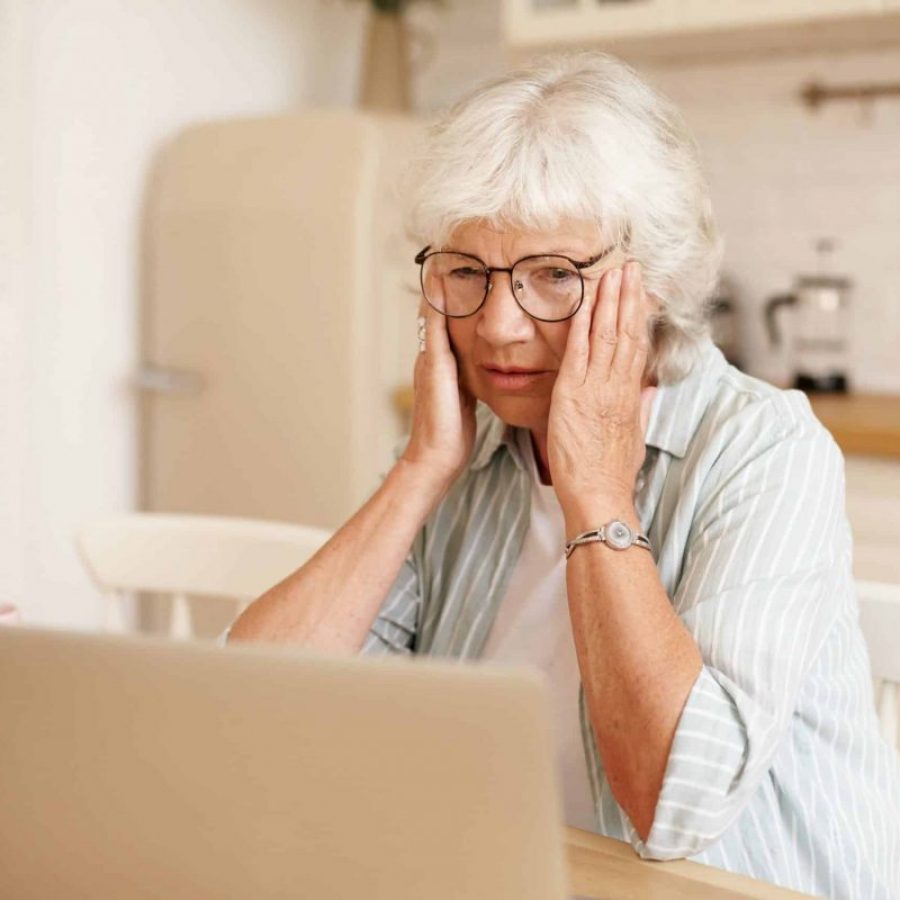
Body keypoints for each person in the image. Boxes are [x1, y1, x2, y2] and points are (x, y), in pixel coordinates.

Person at [226, 52, 900, 897]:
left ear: (653, 283)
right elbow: (248, 712)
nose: (499, 327)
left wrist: (597, 492)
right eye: (467, 272)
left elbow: (677, 806)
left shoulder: (764, 449)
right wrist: (420, 470)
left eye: (553, 276)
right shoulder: (467, 450)